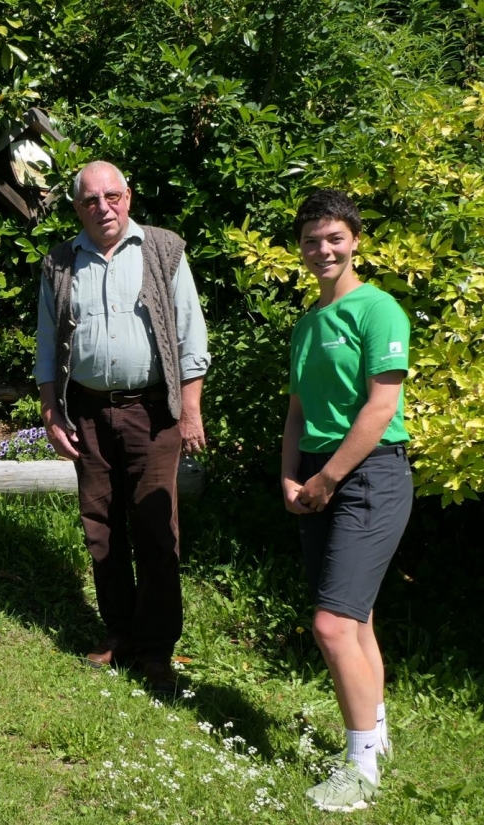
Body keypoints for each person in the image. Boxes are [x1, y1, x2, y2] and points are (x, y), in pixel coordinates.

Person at [34, 160, 210, 694]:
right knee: (101, 526)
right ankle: (120, 633)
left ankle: (156, 648)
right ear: (77, 207)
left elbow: (190, 335)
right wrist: (50, 410)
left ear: (128, 198)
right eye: (91, 200)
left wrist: (191, 411)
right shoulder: (60, 262)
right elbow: (47, 344)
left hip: (154, 412)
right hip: (85, 411)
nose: (103, 207)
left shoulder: (163, 250)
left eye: (112, 196)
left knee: (156, 528)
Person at [281, 189, 411, 812]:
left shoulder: (378, 310)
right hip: (316, 475)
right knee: (355, 620)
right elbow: (298, 408)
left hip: (370, 476)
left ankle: (359, 770)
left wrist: (327, 479)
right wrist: (289, 475)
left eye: (334, 237)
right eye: (312, 239)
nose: (323, 248)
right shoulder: (308, 322)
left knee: (332, 624)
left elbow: (380, 408)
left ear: (355, 240)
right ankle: (376, 739)